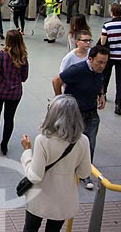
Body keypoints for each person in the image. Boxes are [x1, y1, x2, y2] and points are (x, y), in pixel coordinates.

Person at [20, 95, 92, 232]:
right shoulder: (83, 140)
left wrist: (27, 152)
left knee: (30, 228)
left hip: (40, 197)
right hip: (64, 199)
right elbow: (84, 173)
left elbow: (35, 176)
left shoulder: (43, 140)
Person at [52, 45, 109, 190]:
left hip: (92, 112)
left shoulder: (99, 70)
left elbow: (100, 80)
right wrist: (60, 100)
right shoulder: (77, 70)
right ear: (90, 59)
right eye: (99, 62)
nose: (102, 66)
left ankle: (85, 173)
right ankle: (67, 169)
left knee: (89, 143)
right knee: (72, 142)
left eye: (105, 62)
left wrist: (101, 94)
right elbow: (56, 81)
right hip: (75, 114)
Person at [0, 30, 29, 155]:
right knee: (9, 118)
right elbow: (24, 77)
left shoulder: (1, 55)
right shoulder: (23, 57)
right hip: (15, 93)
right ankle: (4, 144)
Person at [101, 3, 121, 115]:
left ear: (111, 12)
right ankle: (118, 104)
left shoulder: (107, 25)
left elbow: (102, 42)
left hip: (110, 56)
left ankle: (103, 94)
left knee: (106, 76)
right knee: (120, 80)